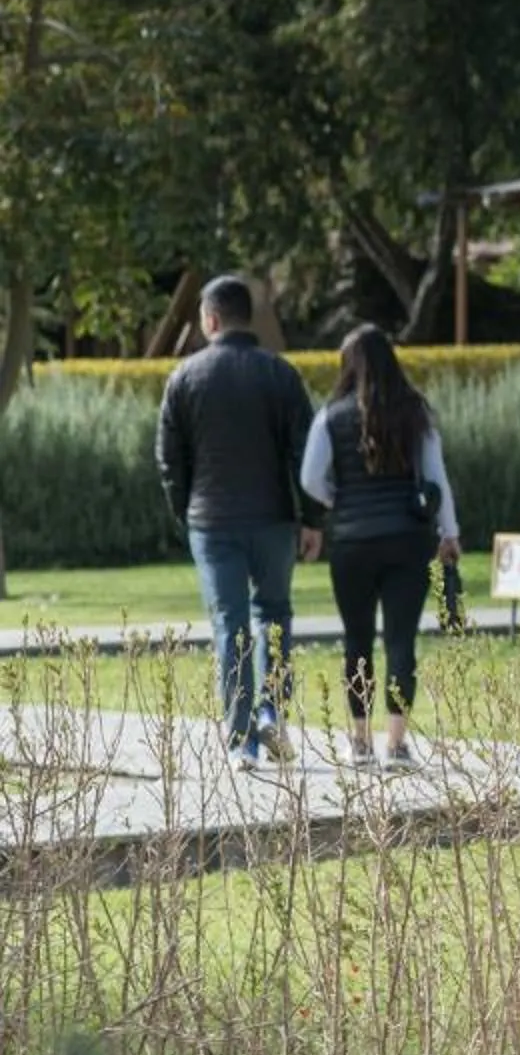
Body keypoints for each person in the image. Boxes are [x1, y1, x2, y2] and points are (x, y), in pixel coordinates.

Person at [155, 275, 318, 769]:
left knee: (230, 625)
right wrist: (311, 518)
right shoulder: (280, 374)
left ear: (209, 319)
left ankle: (242, 740)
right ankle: (273, 710)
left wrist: (185, 512)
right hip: (272, 519)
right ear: (249, 317)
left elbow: (169, 459)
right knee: (274, 615)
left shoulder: (184, 377)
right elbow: (304, 453)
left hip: (213, 520)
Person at [299, 327, 462, 767]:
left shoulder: (331, 416)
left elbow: (310, 479)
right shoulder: (415, 413)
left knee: (357, 639)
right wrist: (449, 533)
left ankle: (360, 740)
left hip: (351, 543)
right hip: (409, 540)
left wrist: (341, 500)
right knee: (400, 641)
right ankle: (398, 741)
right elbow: (436, 476)